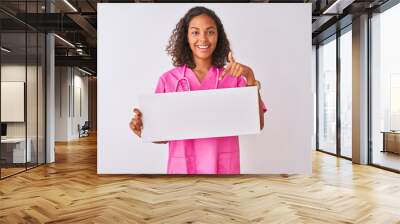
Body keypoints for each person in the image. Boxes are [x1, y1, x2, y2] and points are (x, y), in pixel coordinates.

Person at [130, 6, 267, 174]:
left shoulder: (235, 77)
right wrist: (143, 130)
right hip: (183, 168)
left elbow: (258, 124)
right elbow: (162, 136)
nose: (203, 39)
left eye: (210, 32)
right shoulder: (168, 80)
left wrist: (250, 77)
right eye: (195, 32)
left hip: (223, 168)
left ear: (218, 37)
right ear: (186, 37)